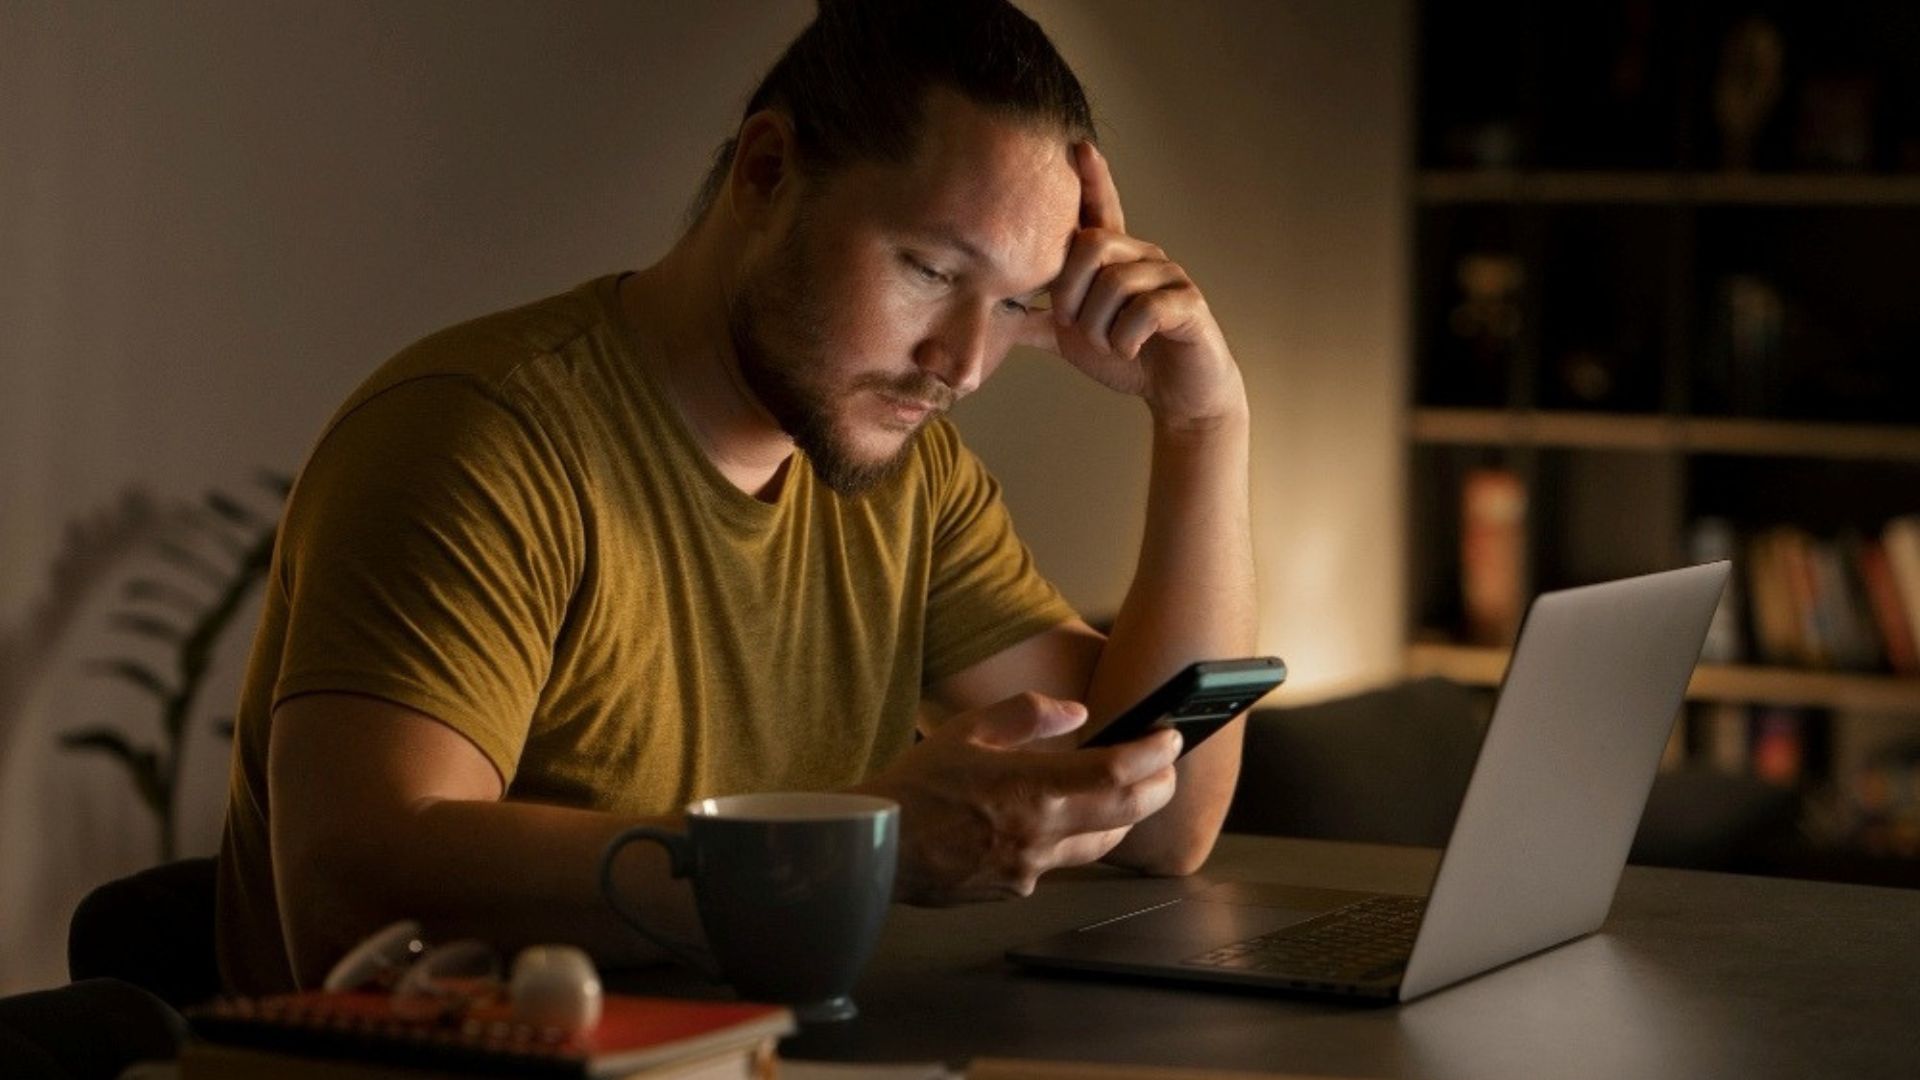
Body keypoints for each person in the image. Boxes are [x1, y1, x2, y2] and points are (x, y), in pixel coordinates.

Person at [216, 0, 1255, 995]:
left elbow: (1165, 823)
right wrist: (853, 848)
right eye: (933, 271)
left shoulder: (907, 482)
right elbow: (347, 902)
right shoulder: (479, 438)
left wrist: (1204, 426)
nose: (966, 365)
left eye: (1017, 303)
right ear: (765, 174)